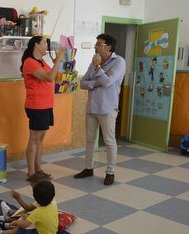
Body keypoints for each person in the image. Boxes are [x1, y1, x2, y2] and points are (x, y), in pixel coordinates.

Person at [75, 33, 126, 185]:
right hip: (92, 106)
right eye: (96, 44)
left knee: (110, 141)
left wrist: (97, 68)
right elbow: (83, 83)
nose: (95, 47)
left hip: (108, 107)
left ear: (108, 47)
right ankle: (88, 168)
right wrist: (96, 81)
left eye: (99, 44)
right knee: (90, 140)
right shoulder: (94, 62)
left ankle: (110, 172)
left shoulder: (119, 62)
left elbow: (109, 81)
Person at [21, 35, 66, 183]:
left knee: (40, 139)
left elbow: (54, 76)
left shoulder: (42, 61)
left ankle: (38, 169)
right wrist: (58, 59)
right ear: (35, 45)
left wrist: (55, 62)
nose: (47, 45)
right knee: (34, 138)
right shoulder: (30, 62)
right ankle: (31, 172)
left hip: (46, 105)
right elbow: (49, 78)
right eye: (44, 43)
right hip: (36, 105)